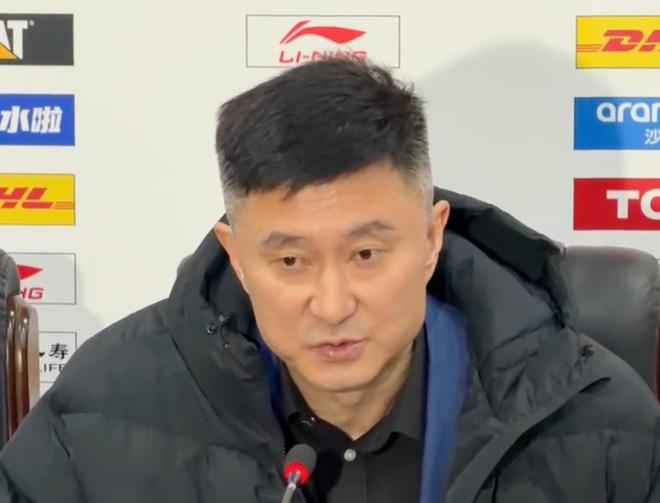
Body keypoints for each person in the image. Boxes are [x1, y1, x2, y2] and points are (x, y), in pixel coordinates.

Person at [1, 57, 658, 503]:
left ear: (431, 238)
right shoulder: (102, 412)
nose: (334, 304)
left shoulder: (600, 426)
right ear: (237, 256)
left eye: (366, 254)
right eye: (291, 262)